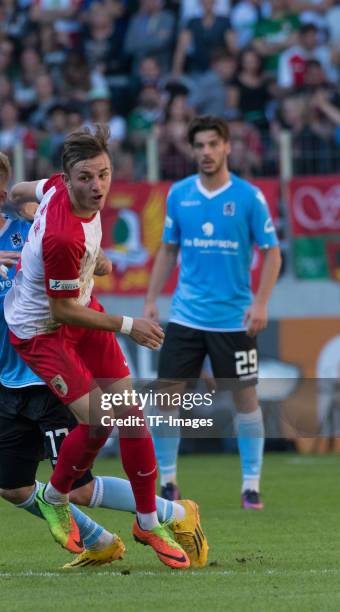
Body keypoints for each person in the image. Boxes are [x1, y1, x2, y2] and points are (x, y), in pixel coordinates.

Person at [0, 147, 208, 569]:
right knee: (15, 488)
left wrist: (97, 261)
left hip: (52, 369)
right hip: (12, 379)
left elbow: (79, 251)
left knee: (79, 481)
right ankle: (106, 539)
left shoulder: (30, 228)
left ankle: (168, 515)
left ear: (2, 198)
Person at [3, 125, 207, 569]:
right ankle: (55, 497)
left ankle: (148, 521)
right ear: (67, 176)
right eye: (86, 178)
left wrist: (28, 211)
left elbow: (19, 190)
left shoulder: (56, 187)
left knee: (131, 417)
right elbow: (60, 313)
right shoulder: (62, 238)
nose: (97, 187)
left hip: (80, 305)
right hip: (42, 330)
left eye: (104, 174)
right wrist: (128, 324)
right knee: (99, 420)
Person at [143, 115, 281, 509]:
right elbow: (168, 249)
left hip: (233, 318)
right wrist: (152, 299)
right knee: (167, 397)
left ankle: (251, 486)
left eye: (212, 145)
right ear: (193, 150)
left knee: (244, 399)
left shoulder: (249, 197)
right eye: (199, 146)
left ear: (227, 147)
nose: (205, 152)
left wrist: (261, 302)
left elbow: (272, 254)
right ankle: (167, 482)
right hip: (186, 316)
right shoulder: (179, 194)